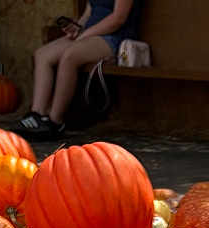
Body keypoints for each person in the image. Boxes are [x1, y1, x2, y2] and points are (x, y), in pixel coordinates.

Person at [17, 0, 141, 137]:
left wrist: (84, 35)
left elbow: (118, 19)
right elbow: (88, 13)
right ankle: (37, 115)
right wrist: (77, 28)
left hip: (114, 37)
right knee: (42, 55)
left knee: (70, 56)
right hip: (88, 35)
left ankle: (55, 121)